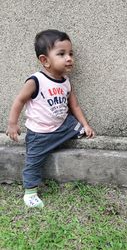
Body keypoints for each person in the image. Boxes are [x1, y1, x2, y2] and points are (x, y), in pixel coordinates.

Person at [6, 29, 95, 208]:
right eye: (61, 54)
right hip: (40, 133)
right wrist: (12, 124)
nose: (69, 58)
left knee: (77, 128)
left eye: (71, 53)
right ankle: (30, 193)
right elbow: (19, 101)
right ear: (45, 60)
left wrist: (85, 125)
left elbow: (74, 106)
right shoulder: (36, 81)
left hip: (62, 125)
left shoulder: (66, 81)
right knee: (33, 161)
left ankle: (68, 135)